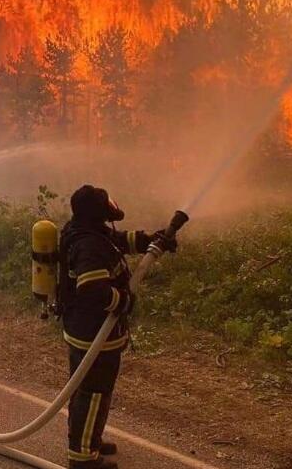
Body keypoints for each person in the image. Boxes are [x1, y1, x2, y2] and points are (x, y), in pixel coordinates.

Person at [60, 185, 179, 468]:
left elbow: (119, 240)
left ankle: (90, 440)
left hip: (87, 330)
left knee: (91, 389)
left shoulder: (88, 230)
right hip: (93, 334)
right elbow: (92, 289)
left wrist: (152, 240)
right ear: (98, 211)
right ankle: (82, 457)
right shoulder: (88, 245)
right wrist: (122, 301)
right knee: (93, 392)